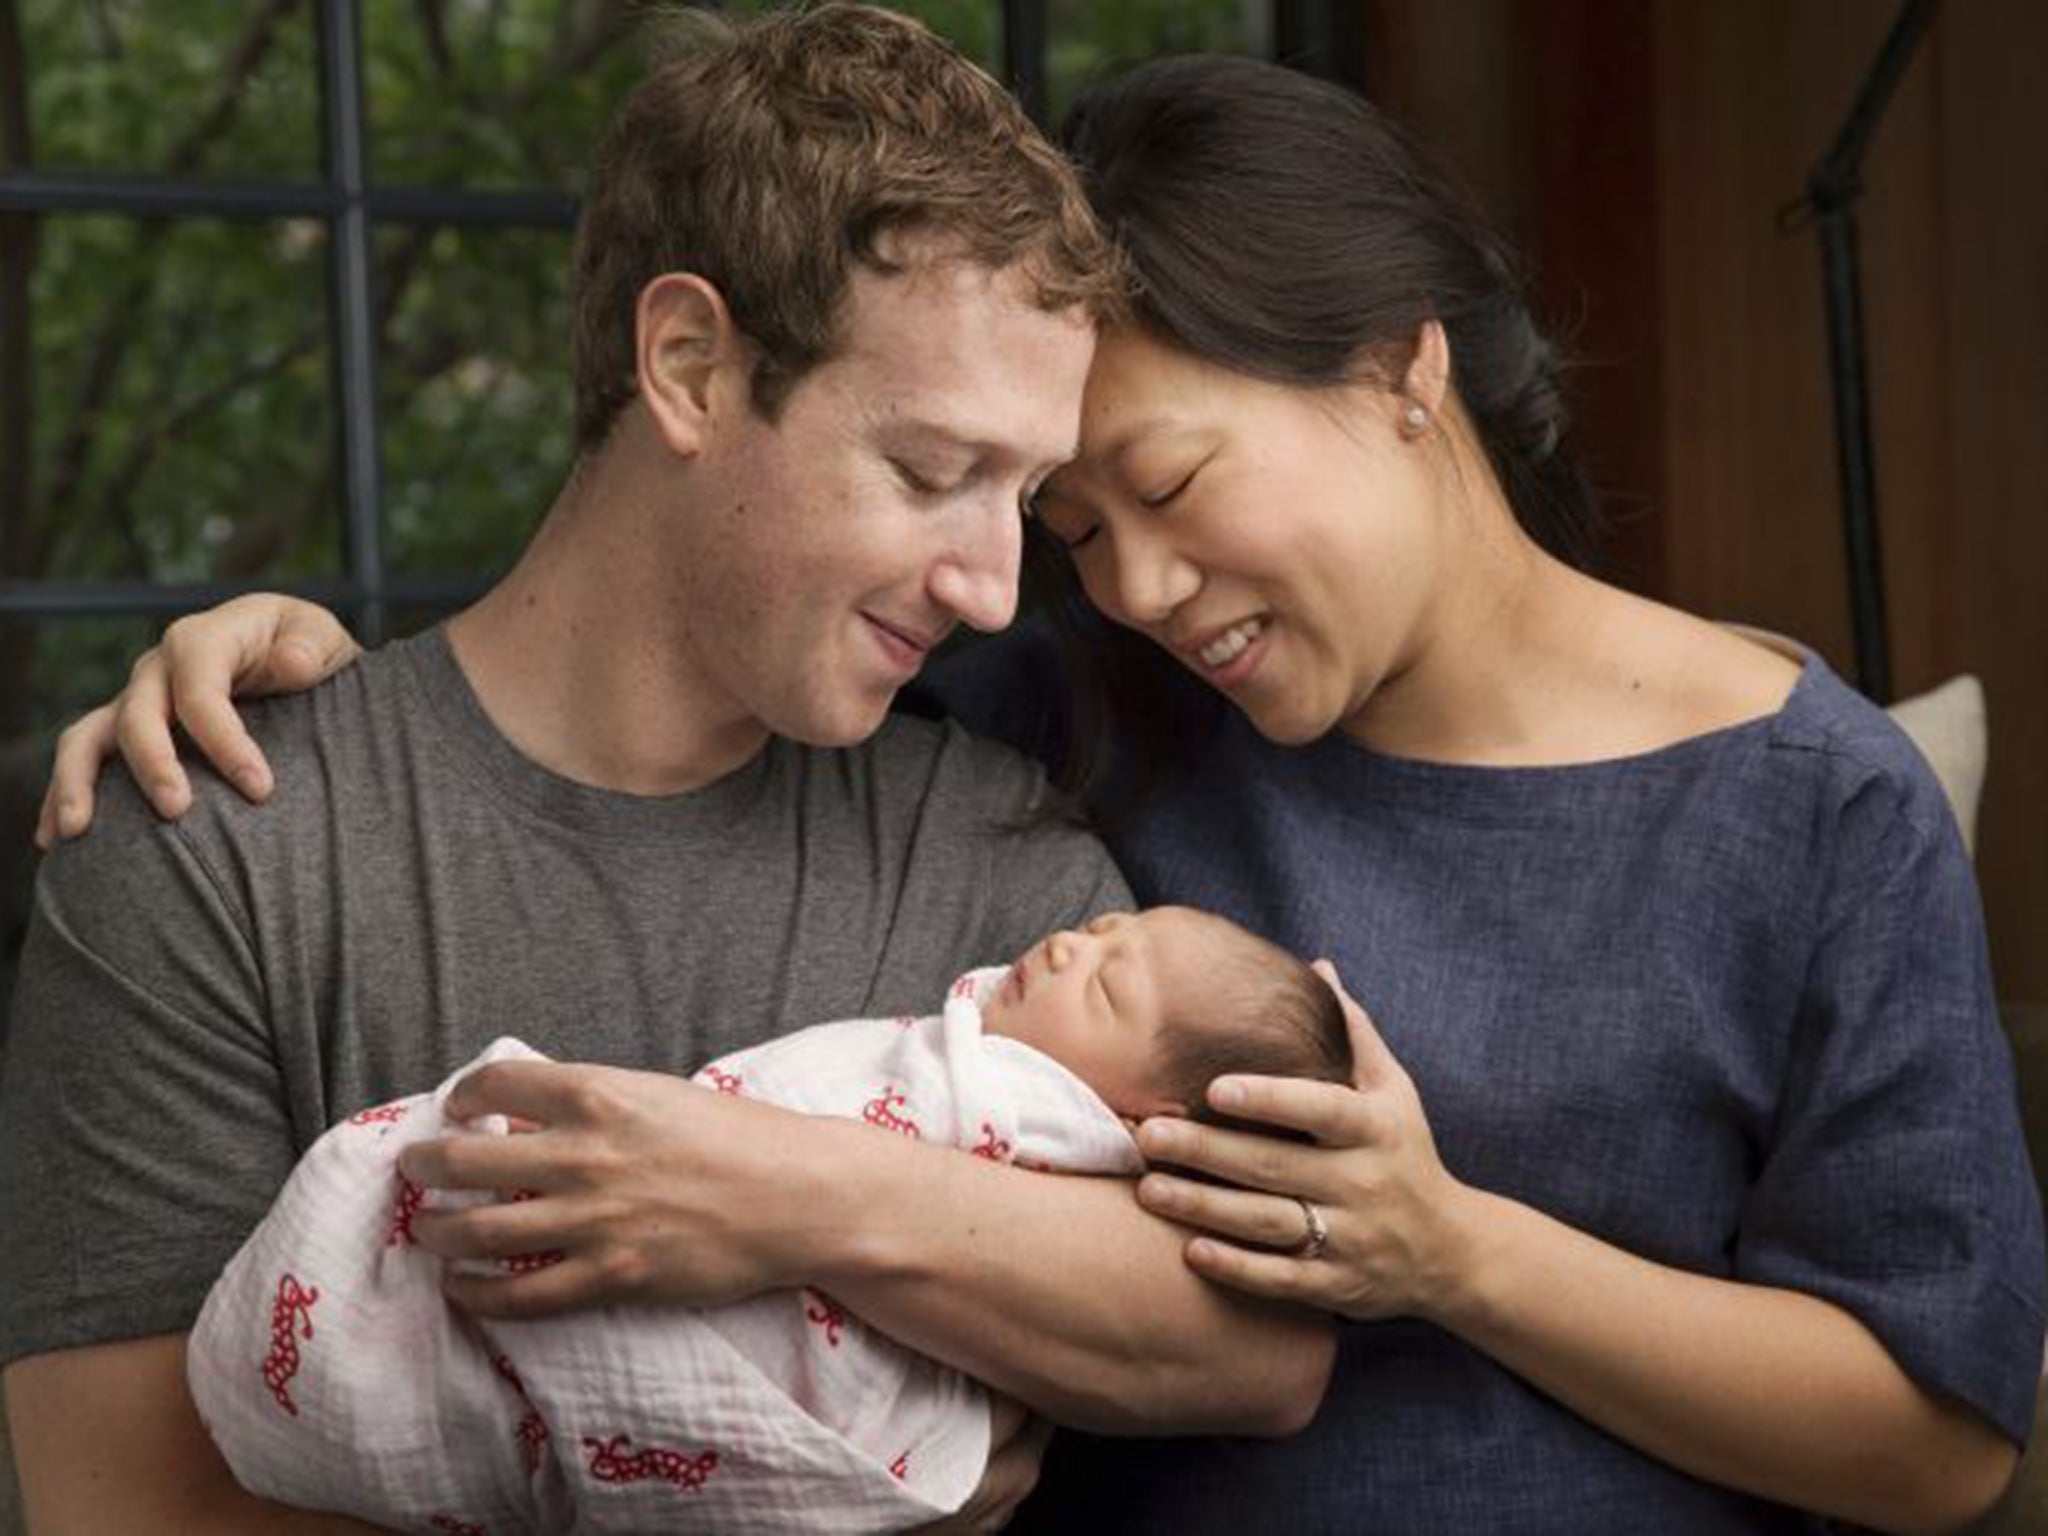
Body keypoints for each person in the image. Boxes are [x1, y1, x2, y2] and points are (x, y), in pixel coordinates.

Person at [25, 44, 2046, 1536]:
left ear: (1402, 372)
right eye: (1048, 513)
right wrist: (279, 657)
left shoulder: (1806, 805)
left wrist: (1444, 1250)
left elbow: (1935, 1440)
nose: (1087, 582)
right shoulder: (1092, 709)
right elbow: (667, 611)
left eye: (1128, 493)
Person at [0, 14, 1341, 1536]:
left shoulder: (995, 866)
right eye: (929, 473)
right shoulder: (219, 840)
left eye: (1026, 497)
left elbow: (1251, 1345)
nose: (991, 585)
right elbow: (130, 1508)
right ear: (691, 365)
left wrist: (777, 1190)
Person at [185, 907, 1349, 1536]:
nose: (1069, 944)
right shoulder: (245, 853)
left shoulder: (1036, 1067)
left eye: (1105, 980)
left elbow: (1268, 1355)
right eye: (1098, 930)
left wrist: (778, 1189)